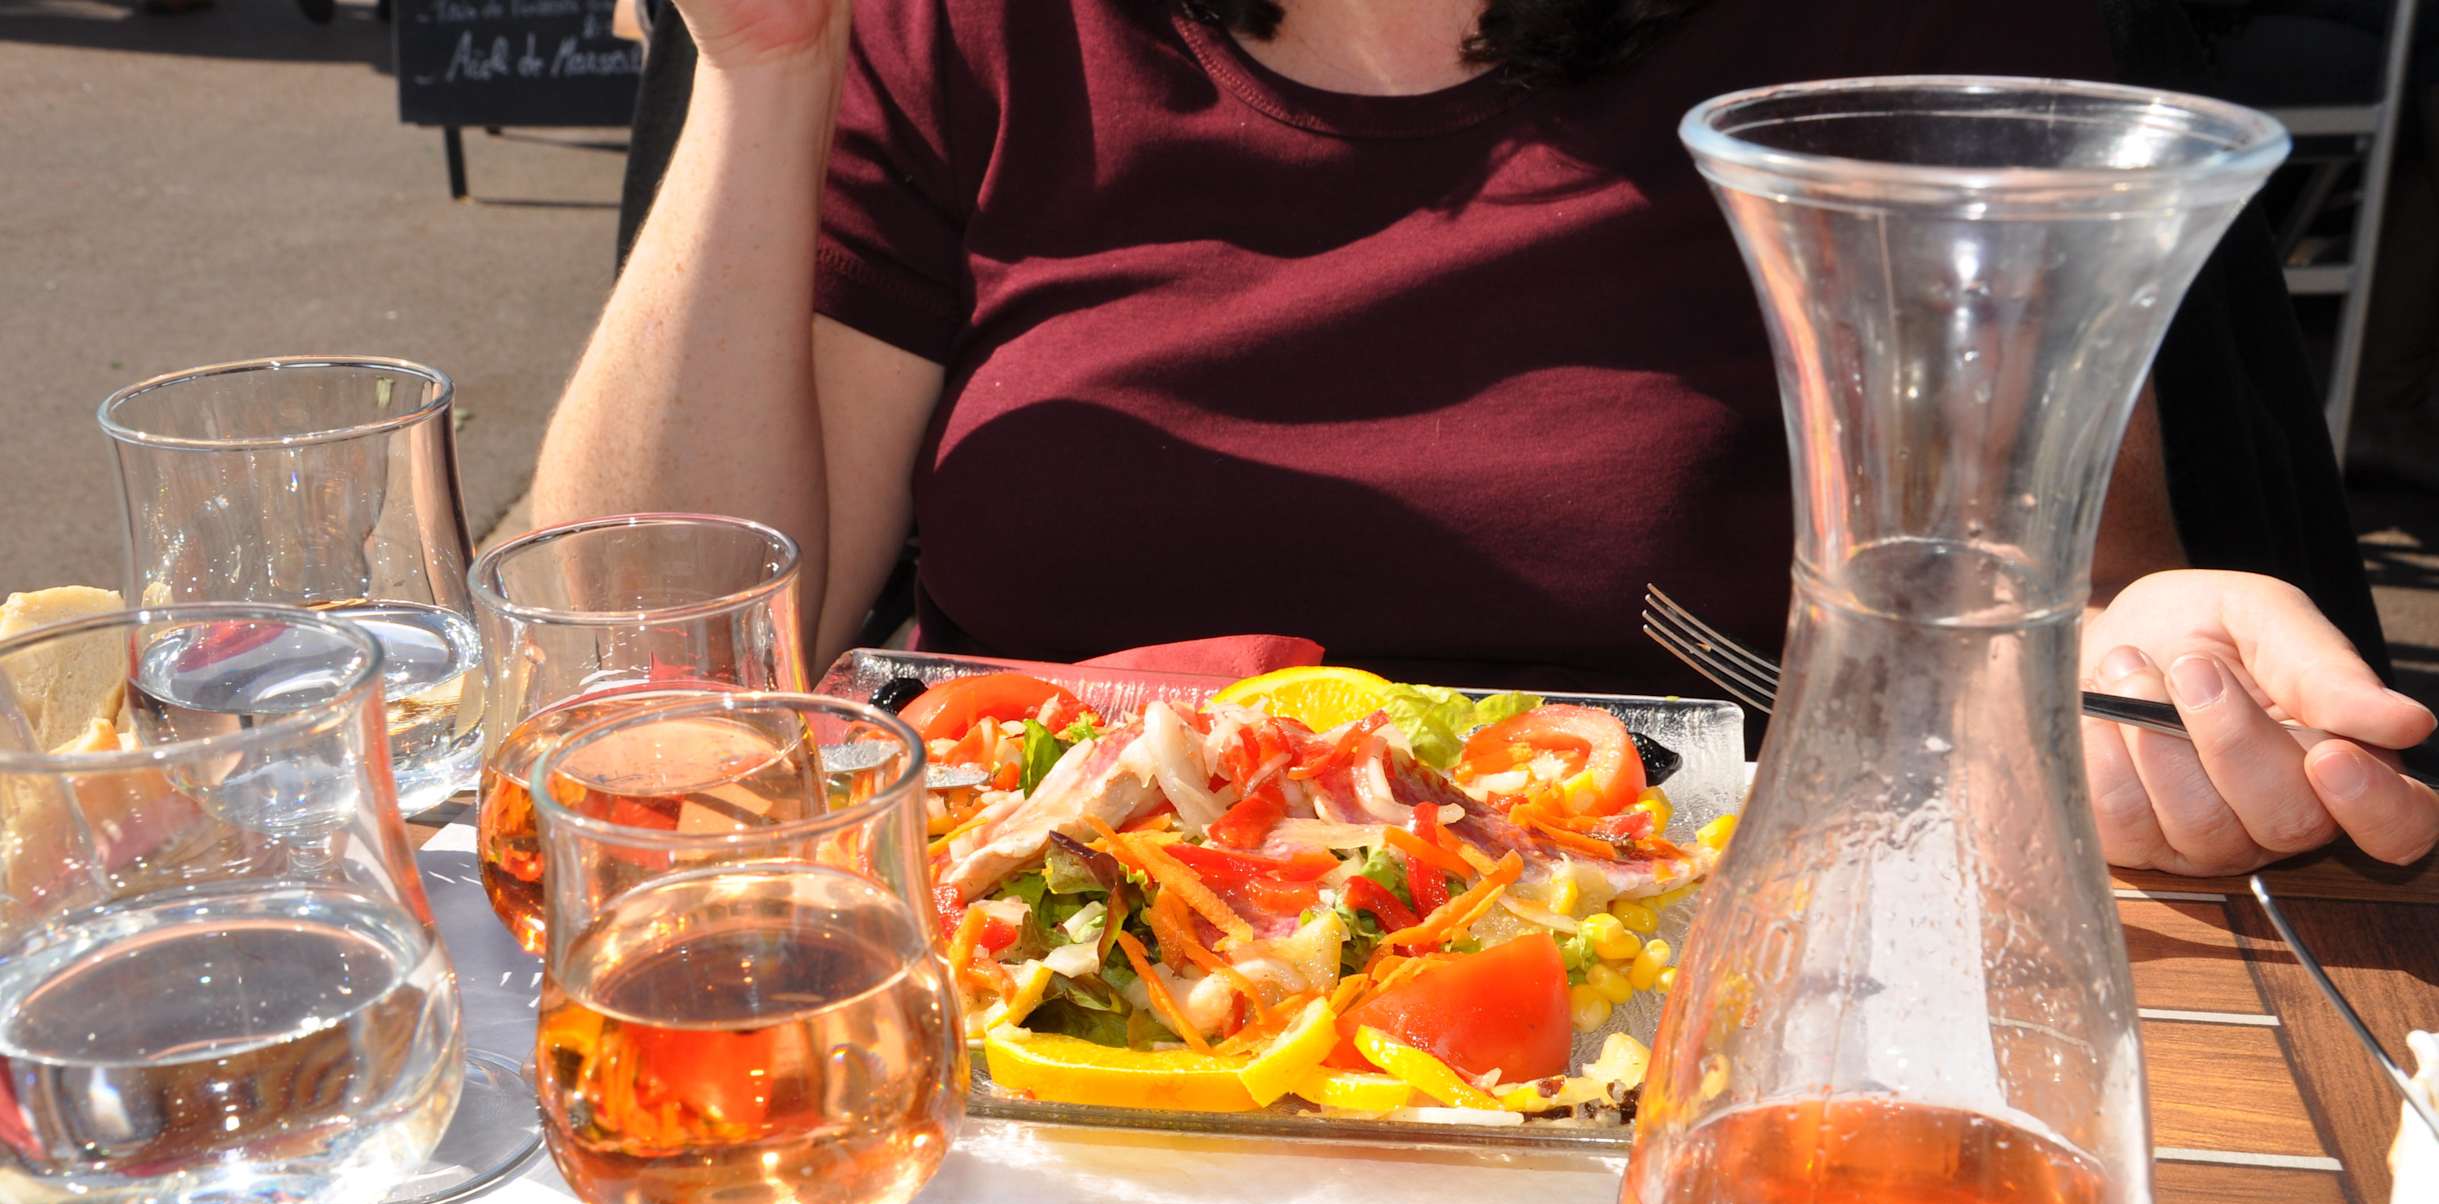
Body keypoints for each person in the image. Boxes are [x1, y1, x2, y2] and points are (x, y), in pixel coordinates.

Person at [532, 0, 2439, 876]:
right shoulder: (968, 22)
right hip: (1036, 1033)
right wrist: (761, 71)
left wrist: (2142, 672)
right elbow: (643, 674)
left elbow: (2050, 611)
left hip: (1689, 1025)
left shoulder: (1900, 33)